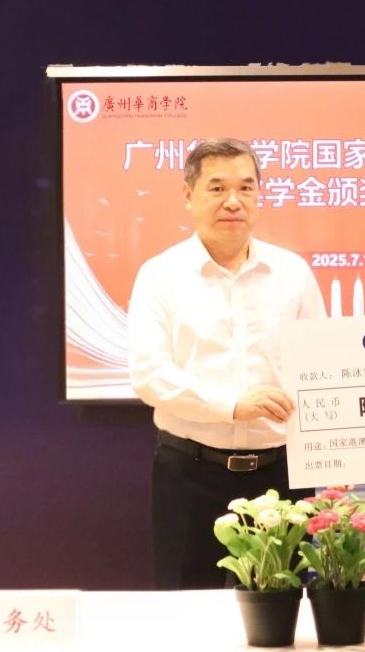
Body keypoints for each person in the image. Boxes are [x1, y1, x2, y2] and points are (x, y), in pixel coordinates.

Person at [128, 137, 326, 590]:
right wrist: (234, 404)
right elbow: (149, 374)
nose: (233, 201)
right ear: (188, 195)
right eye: (217, 188)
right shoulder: (160, 275)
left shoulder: (293, 273)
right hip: (190, 473)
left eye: (246, 188)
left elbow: (320, 369)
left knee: (281, 612)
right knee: (185, 611)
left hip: (282, 477)